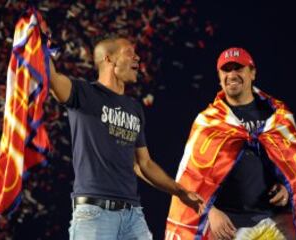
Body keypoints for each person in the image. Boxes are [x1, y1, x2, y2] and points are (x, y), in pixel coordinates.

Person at [48, 37, 204, 240]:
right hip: (94, 214)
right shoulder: (83, 93)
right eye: (129, 52)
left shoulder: (134, 108)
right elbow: (50, 78)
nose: (137, 58)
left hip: (132, 215)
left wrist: (180, 191)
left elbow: (144, 164)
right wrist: (38, 40)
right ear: (109, 59)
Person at [165, 47, 296, 240]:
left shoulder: (278, 117)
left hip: (274, 224)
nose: (232, 75)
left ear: (252, 73)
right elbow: (191, 180)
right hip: (228, 227)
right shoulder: (208, 122)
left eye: (238, 68)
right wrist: (211, 212)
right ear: (219, 78)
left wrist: (287, 188)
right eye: (226, 70)